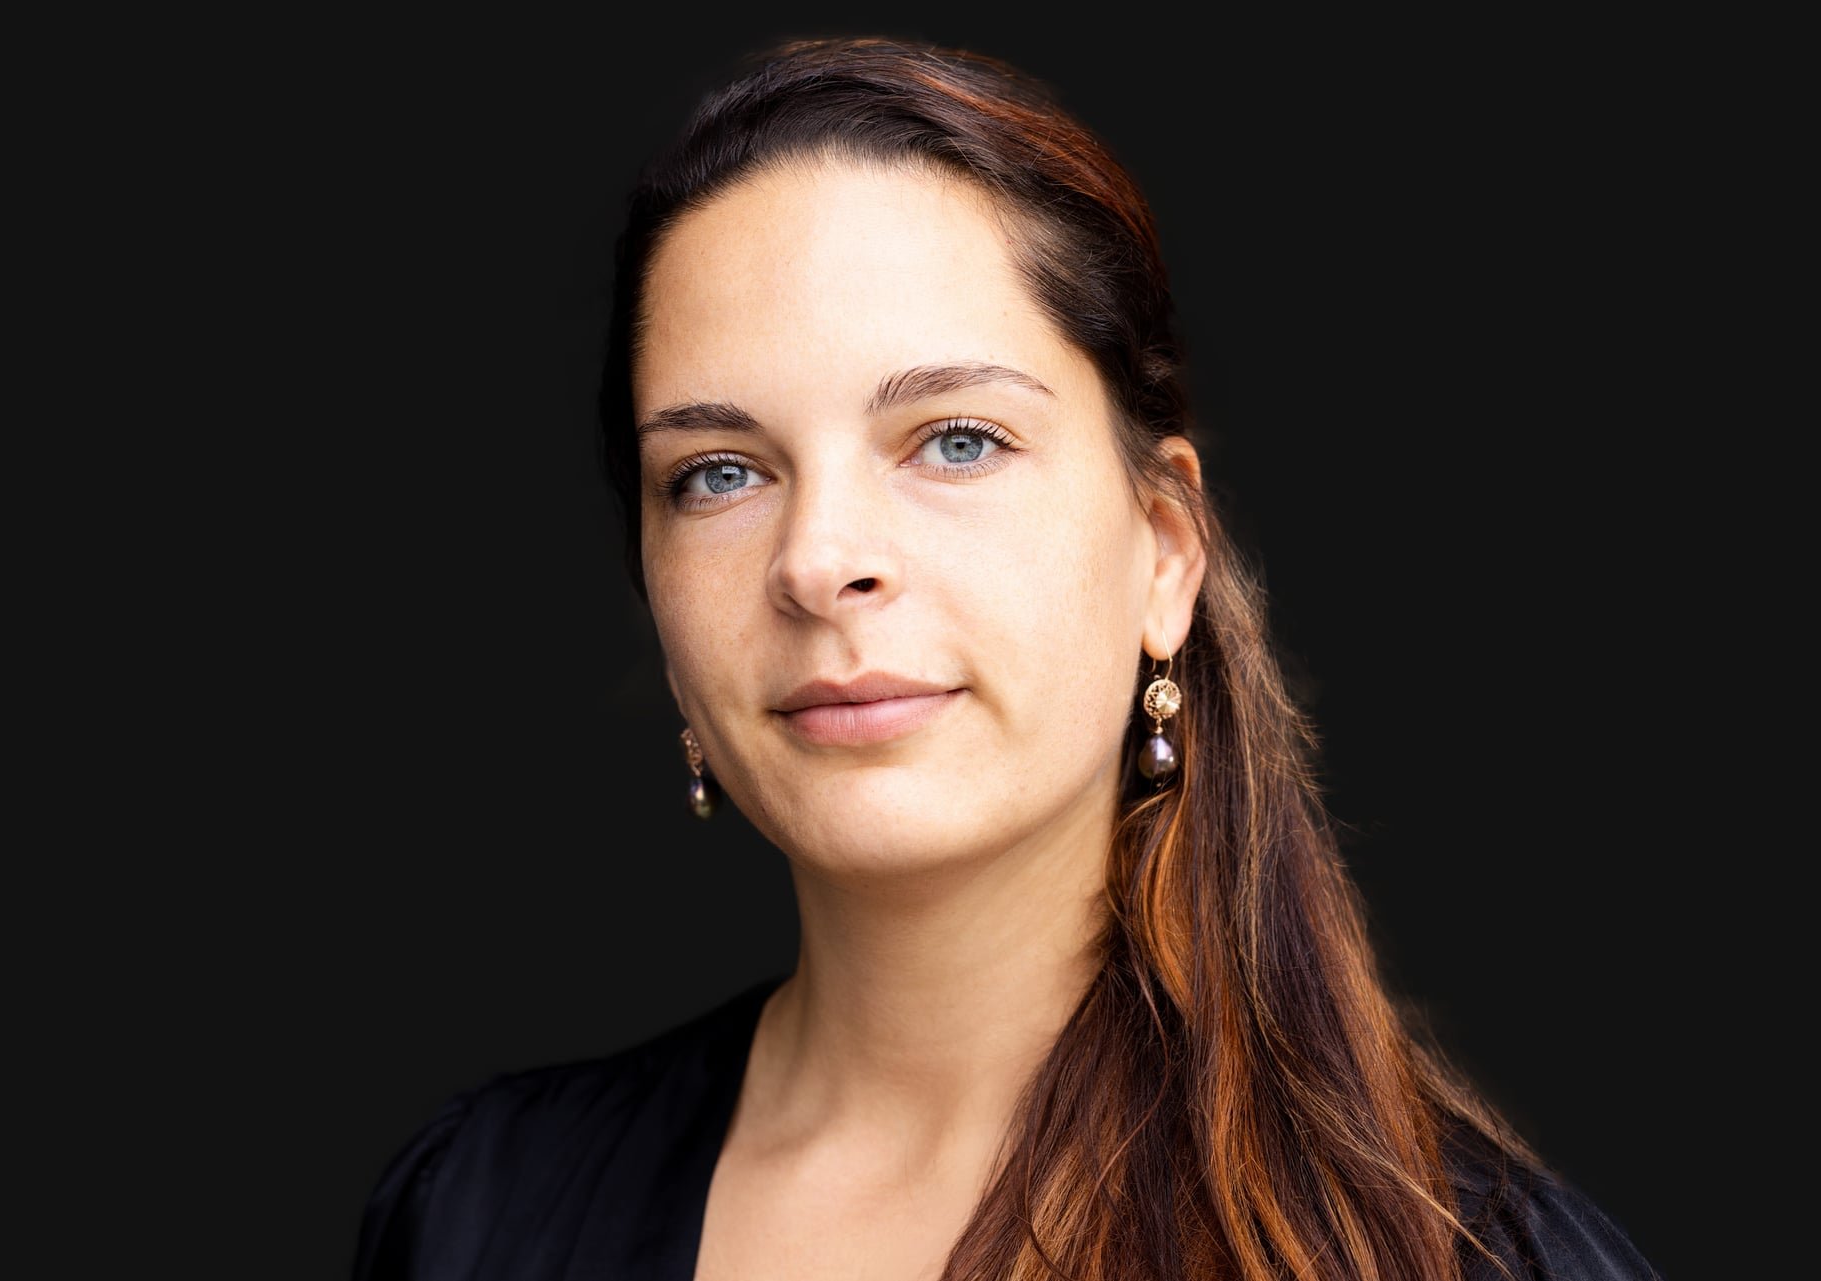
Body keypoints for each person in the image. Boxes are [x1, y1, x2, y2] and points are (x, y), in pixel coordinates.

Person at [352, 35, 1660, 1281]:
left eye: (956, 440)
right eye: (719, 472)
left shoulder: (1475, 1258)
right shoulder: (477, 1210)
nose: (819, 559)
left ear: (1164, 551)